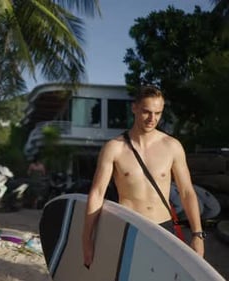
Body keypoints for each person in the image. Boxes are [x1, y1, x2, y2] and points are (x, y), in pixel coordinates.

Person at [82, 85, 204, 268]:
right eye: (146, 112)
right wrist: (86, 239)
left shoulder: (172, 146)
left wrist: (197, 235)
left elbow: (187, 192)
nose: (152, 119)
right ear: (134, 108)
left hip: (163, 228)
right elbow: (97, 194)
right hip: (129, 227)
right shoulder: (114, 148)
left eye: (158, 113)